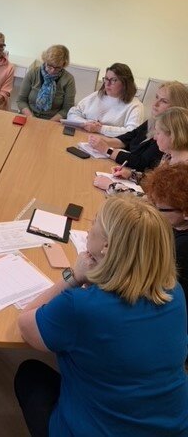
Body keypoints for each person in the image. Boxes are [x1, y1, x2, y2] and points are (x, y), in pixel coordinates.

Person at [14, 197, 188, 437]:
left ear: (106, 246)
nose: (88, 229)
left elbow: (25, 324)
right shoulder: (174, 292)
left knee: (29, 374)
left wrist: (74, 277)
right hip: (173, 428)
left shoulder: (80, 307)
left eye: (94, 222)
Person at [88, 81, 188, 171]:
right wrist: (102, 142)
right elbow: (130, 137)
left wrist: (107, 150)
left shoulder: (167, 136)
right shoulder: (152, 121)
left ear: (176, 109)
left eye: (164, 101)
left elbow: (143, 163)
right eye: (157, 97)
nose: (155, 104)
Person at [94, 106, 188, 191]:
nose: (154, 137)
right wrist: (131, 175)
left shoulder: (182, 171)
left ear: (172, 135)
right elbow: (156, 183)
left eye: (158, 133)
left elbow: (153, 201)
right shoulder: (168, 156)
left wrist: (112, 186)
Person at [144, 163, 188, 307]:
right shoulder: (176, 225)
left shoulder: (182, 248)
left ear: (185, 212)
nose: (153, 211)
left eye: (158, 209)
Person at [67, 62, 143, 136]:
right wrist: (85, 123)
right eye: (106, 79)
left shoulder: (135, 106)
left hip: (108, 142)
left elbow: (133, 133)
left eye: (113, 80)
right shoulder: (98, 95)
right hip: (83, 135)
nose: (107, 84)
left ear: (125, 83)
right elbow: (72, 113)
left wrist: (100, 129)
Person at [16, 45, 75, 121]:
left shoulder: (68, 79)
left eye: (57, 67)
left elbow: (67, 109)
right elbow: (21, 100)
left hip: (52, 121)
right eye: (49, 66)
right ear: (45, 61)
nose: (52, 71)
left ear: (64, 64)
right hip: (29, 116)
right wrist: (31, 118)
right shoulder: (33, 73)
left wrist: (48, 123)